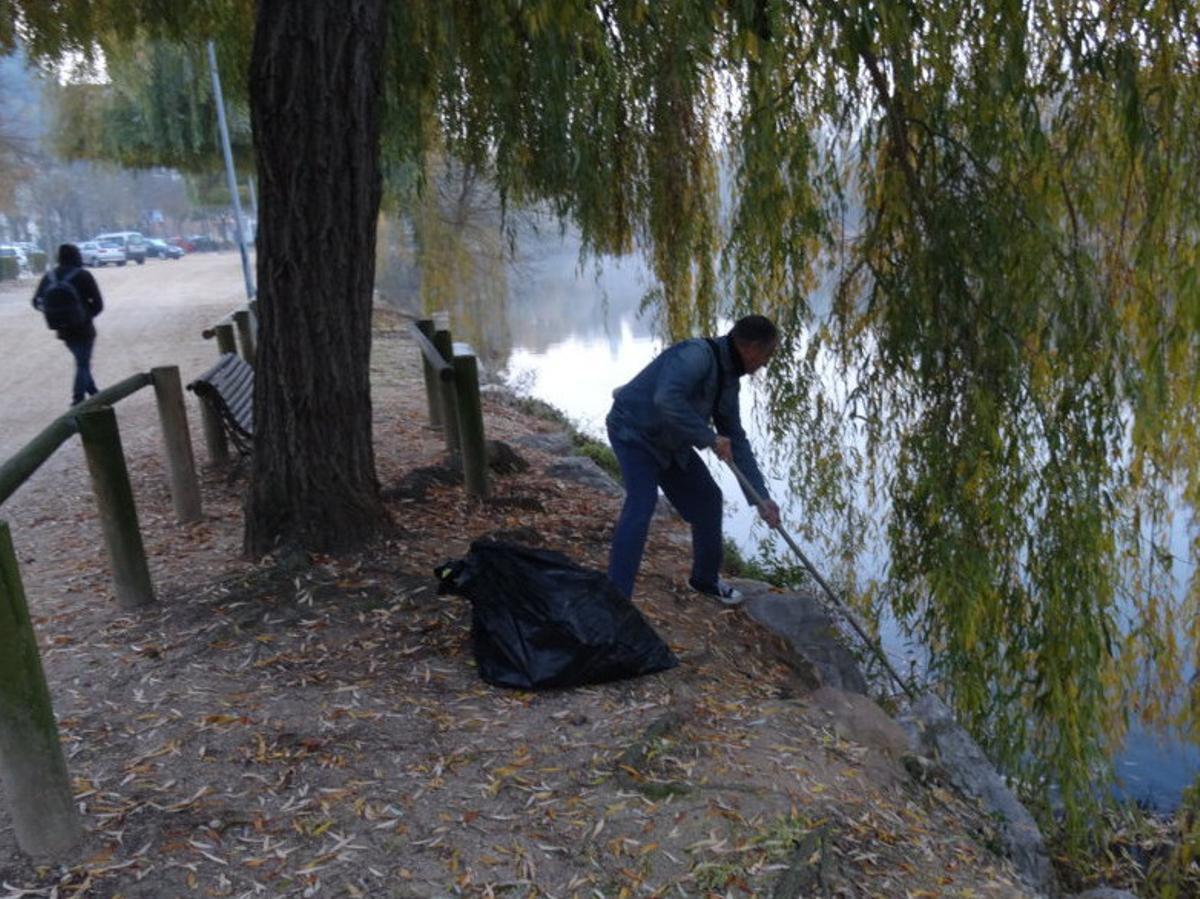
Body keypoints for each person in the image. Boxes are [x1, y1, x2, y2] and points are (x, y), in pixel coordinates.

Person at [606, 314, 782, 605]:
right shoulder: (695, 355)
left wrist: (761, 498)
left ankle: (705, 579)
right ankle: (615, 598)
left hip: (671, 443)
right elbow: (666, 400)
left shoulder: (729, 380)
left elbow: (736, 439)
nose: (766, 363)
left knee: (708, 500)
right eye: (767, 354)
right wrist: (709, 437)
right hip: (634, 434)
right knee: (642, 503)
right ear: (751, 347)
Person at [31, 243, 104, 406]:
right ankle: (78, 400)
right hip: (84, 328)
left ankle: (94, 393)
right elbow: (99, 304)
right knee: (83, 363)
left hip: (62, 329)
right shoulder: (83, 275)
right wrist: (85, 316)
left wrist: (53, 312)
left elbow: (36, 301)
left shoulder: (50, 276)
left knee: (81, 361)